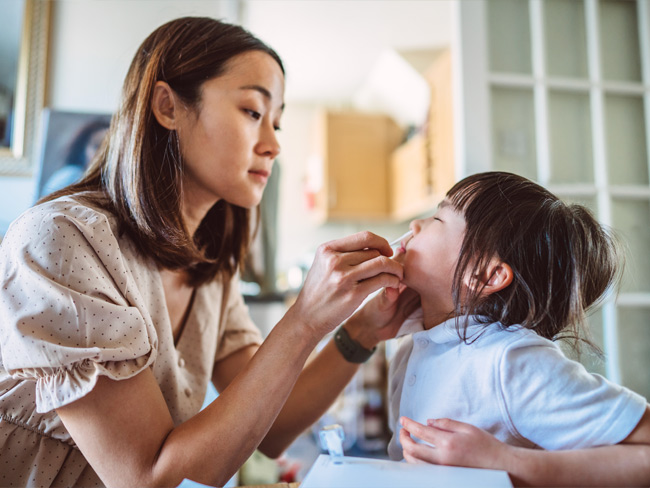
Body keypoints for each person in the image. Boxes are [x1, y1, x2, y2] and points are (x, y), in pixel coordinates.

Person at [0, 17, 414, 487]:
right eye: (254, 113)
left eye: (276, 122)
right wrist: (304, 320)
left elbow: (272, 426)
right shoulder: (59, 240)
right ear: (167, 106)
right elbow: (146, 476)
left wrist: (362, 330)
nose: (275, 144)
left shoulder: (211, 269)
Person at [365, 171, 650, 485]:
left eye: (438, 219)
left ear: (486, 275)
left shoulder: (510, 360)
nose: (415, 225)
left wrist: (504, 461)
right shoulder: (412, 350)